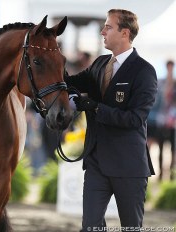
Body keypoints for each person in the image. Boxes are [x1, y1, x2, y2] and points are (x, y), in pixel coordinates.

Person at [65, 9, 157, 231]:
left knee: (131, 228)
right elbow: (70, 82)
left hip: (129, 166)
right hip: (96, 162)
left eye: (108, 27)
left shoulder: (144, 71)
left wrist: (96, 108)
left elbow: (135, 119)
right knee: (90, 227)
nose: (102, 31)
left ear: (125, 33)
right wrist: (50, 62)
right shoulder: (100, 63)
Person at [148, 60, 176, 180]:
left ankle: (171, 174)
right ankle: (160, 175)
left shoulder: (173, 83)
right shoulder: (161, 82)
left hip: (172, 122)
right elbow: (157, 101)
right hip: (161, 120)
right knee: (160, 147)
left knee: (172, 148)